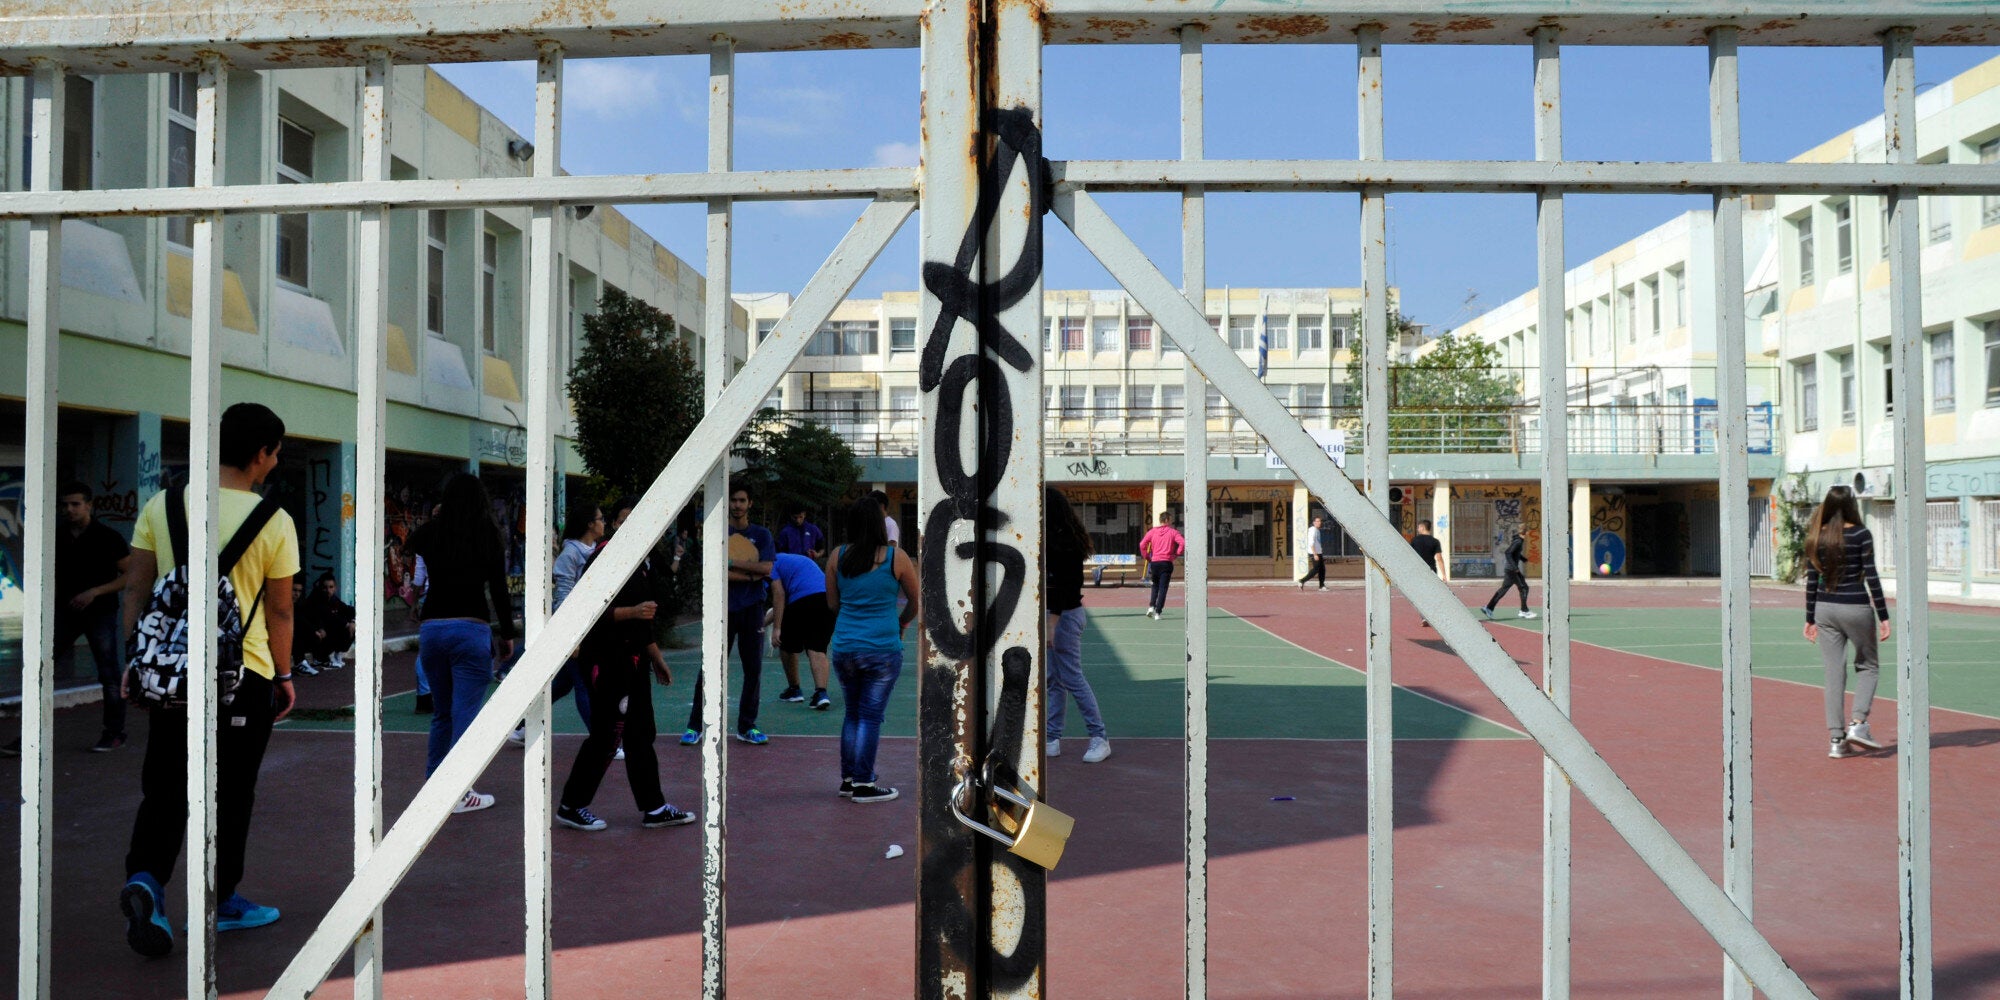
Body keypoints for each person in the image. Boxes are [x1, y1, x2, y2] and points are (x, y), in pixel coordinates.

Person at [118, 402, 300, 957]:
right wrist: (285, 674)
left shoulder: (163, 503)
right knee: (232, 791)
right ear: (260, 453)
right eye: (275, 453)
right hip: (244, 676)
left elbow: (136, 589)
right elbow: (281, 610)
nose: (275, 463)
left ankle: (146, 880)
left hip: (173, 676)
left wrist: (136, 660)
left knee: (165, 786)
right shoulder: (274, 520)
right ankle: (221, 900)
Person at [553, 520, 694, 832]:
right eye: (623, 518)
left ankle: (654, 807)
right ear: (617, 525)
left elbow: (642, 623)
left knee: (641, 733)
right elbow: (585, 610)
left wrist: (655, 657)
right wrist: (632, 612)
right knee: (607, 735)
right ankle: (571, 805)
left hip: (634, 660)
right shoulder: (607, 556)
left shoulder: (641, 562)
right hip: (608, 661)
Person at [405, 472, 516, 813]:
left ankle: (434, 785)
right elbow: (499, 589)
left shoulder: (431, 533)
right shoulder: (488, 534)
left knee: (442, 713)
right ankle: (458, 791)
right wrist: (507, 633)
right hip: (471, 628)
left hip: (433, 630)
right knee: (465, 714)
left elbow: (413, 543)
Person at [824, 496, 919, 803]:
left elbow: (832, 604)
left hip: (845, 647)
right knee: (870, 717)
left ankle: (848, 779)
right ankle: (864, 783)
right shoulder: (896, 558)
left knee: (853, 714)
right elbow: (915, 601)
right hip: (882, 648)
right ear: (880, 524)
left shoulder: (837, 556)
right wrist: (901, 623)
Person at [1804, 484, 1891, 759]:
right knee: (1868, 665)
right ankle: (1858, 723)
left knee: (1834, 673)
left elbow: (1812, 580)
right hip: (1855, 607)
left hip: (1825, 609)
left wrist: (1809, 618)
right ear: (1852, 505)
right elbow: (1871, 576)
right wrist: (1883, 616)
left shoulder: (1818, 536)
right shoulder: (1861, 534)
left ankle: (1836, 739)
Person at [684, 484, 775, 745]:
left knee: (753, 669)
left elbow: (767, 568)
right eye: (734, 500)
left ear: (750, 503)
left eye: (742, 500)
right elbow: (714, 570)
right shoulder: (717, 534)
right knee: (710, 667)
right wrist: (750, 574)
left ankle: (747, 726)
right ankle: (695, 726)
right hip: (721, 610)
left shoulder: (762, 534)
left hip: (752, 609)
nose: (737, 505)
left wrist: (732, 563)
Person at [506, 498, 602, 747]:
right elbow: (564, 594)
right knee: (582, 683)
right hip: (573, 628)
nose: (603, 523)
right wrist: (571, 633)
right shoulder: (571, 554)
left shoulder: (594, 550)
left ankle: (522, 725)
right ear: (589, 524)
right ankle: (602, 741)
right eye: (600, 519)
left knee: (563, 683)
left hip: (587, 627)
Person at [58, 482, 132, 752]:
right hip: (64, 613)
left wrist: (95, 592)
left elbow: (130, 575)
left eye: (75, 504)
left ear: (89, 505)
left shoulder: (107, 537)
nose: (69, 509)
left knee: (109, 674)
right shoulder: (56, 535)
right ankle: (29, 736)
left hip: (100, 613)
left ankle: (114, 733)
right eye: (65, 505)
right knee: (38, 669)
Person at [1044, 487, 1111, 763]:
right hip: (1056, 615)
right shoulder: (1054, 539)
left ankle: (1099, 737)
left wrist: (1052, 623)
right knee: (1054, 680)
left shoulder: (1064, 544)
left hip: (1064, 617)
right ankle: (1051, 738)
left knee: (1071, 678)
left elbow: (1067, 589)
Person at [770, 551, 834, 709]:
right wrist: (761, 624)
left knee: (786, 644)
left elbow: (779, 595)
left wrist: (776, 628)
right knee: (817, 649)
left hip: (802, 601)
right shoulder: (791, 561)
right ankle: (821, 693)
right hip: (826, 600)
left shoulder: (768, 563)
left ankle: (794, 690)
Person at [295, 571, 355, 674]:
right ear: (320, 588)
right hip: (312, 635)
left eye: (331, 587)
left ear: (335, 588)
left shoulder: (333, 599)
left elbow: (348, 609)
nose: (328, 590)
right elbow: (326, 615)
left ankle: (336, 654)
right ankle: (321, 659)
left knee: (352, 626)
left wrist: (353, 621)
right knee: (336, 626)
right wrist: (346, 624)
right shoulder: (315, 599)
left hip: (319, 632)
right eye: (325, 588)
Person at [1138, 510, 1185, 621]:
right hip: (1166, 562)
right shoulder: (1173, 532)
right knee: (1163, 588)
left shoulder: (1152, 531)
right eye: (1170, 520)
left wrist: (1147, 557)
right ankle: (1158, 612)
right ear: (1167, 520)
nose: (1171, 522)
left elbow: (1142, 544)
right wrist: (1176, 554)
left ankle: (1151, 607)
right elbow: (1183, 543)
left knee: (1155, 585)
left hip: (1155, 562)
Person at [1481, 531, 1536, 621]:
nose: (1527, 535)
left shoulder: (1517, 540)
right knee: (1524, 588)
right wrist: (1515, 567)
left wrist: (1524, 559)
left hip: (1510, 570)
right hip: (1512, 570)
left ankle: (1488, 608)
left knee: (1504, 589)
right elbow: (1508, 553)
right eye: (1526, 533)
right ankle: (1524, 610)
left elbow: (1515, 553)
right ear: (1523, 533)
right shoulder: (1518, 541)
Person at [1410, 519, 1444, 628]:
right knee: (1431, 594)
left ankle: (1424, 616)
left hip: (1418, 571)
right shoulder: (1435, 541)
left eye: (1418, 527)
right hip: (1431, 570)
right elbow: (1439, 558)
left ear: (1422, 527)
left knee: (1420, 595)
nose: (1417, 529)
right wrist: (1444, 575)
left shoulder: (1415, 540)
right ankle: (1431, 615)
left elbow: (1410, 555)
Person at [1298, 514, 1327, 591]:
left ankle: (1321, 586)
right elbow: (1311, 543)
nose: (1319, 523)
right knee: (1316, 569)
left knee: (1322, 569)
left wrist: (1319, 552)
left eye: (1320, 521)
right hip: (1314, 553)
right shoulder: (1312, 530)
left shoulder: (1317, 530)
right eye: (1317, 521)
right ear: (1313, 522)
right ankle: (1302, 581)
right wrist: (1315, 554)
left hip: (1319, 552)